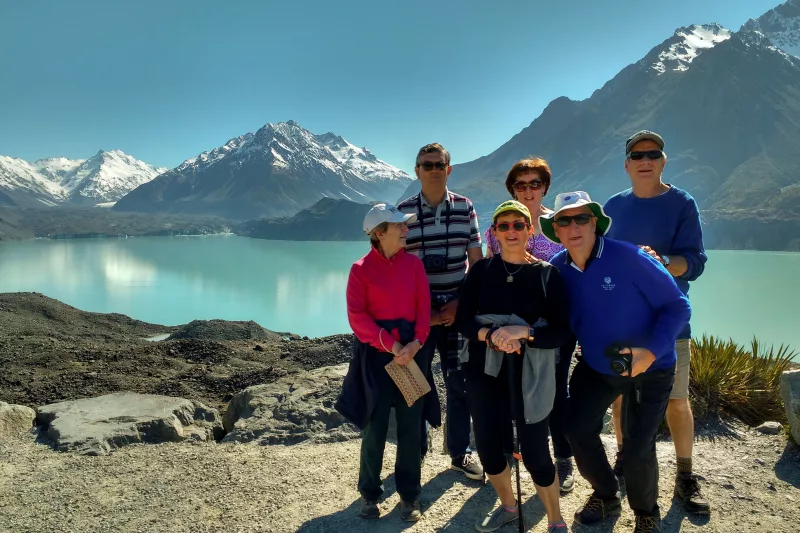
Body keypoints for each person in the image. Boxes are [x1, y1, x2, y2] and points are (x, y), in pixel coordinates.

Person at [541, 191, 691, 533]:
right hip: (598, 366)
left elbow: (677, 306)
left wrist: (650, 352)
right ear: (556, 229)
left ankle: (645, 513)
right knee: (577, 430)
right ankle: (607, 494)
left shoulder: (631, 257)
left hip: (651, 367)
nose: (574, 226)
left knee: (638, 446)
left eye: (582, 218)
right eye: (565, 220)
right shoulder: (559, 269)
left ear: (595, 223)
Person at [604, 130, 709, 514]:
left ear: (663, 161)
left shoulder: (682, 203)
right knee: (619, 400)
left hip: (668, 325)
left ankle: (685, 476)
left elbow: (694, 263)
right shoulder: (613, 207)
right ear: (628, 165)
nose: (645, 160)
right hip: (622, 325)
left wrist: (662, 261)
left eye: (653, 153)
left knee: (676, 402)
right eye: (637, 155)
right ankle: (621, 460)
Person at [456, 200, 571, 533]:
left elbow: (563, 332)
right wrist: (491, 336)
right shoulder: (480, 272)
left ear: (529, 231)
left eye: (518, 225)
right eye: (503, 226)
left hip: (530, 376)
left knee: (535, 452)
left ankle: (555, 520)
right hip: (483, 371)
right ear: (493, 233)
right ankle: (508, 506)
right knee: (490, 450)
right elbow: (463, 321)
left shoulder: (547, 275)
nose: (511, 231)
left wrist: (525, 333)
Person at [483, 158, 576, 493]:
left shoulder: (559, 224)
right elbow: (492, 274)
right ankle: (516, 455)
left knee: (555, 392)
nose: (527, 191)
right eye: (520, 185)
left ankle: (562, 457)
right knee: (513, 389)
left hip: (554, 325)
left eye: (534, 183)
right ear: (512, 189)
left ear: (545, 187)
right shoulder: (499, 229)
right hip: (511, 327)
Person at [337, 203, 433, 522]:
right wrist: (393, 346)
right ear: (379, 234)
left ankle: (409, 497)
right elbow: (358, 319)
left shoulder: (414, 266)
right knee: (374, 428)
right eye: (398, 226)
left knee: (410, 428)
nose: (405, 229)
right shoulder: (360, 269)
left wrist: (416, 343)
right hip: (377, 359)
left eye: (405, 225)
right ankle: (369, 494)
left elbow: (423, 310)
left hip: (409, 354)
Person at [397, 143, 484, 481]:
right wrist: (424, 313)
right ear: (416, 170)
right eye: (426, 164)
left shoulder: (466, 207)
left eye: (439, 164)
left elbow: (476, 263)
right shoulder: (402, 212)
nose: (433, 169)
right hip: (417, 313)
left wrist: (460, 303)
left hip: (457, 310)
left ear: (449, 170)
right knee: (414, 383)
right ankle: (415, 451)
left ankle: (460, 453)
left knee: (459, 382)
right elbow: (396, 268)